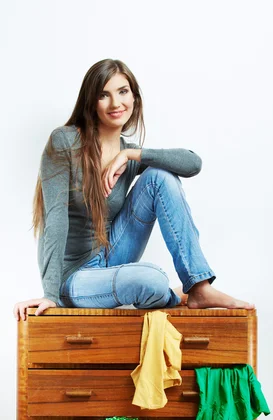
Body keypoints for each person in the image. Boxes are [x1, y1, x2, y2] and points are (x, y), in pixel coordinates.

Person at [13, 58, 254, 322]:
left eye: (123, 92)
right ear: (90, 102)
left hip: (112, 254)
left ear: (134, 98)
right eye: (104, 95)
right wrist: (50, 294)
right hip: (75, 277)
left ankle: (199, 287)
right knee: (149, 279)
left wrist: (131, 153)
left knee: (159, 176)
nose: (116, 104)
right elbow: (55, 221)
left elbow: (193, 164)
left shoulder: (126, 154)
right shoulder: (64, 142)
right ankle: (174, 295)